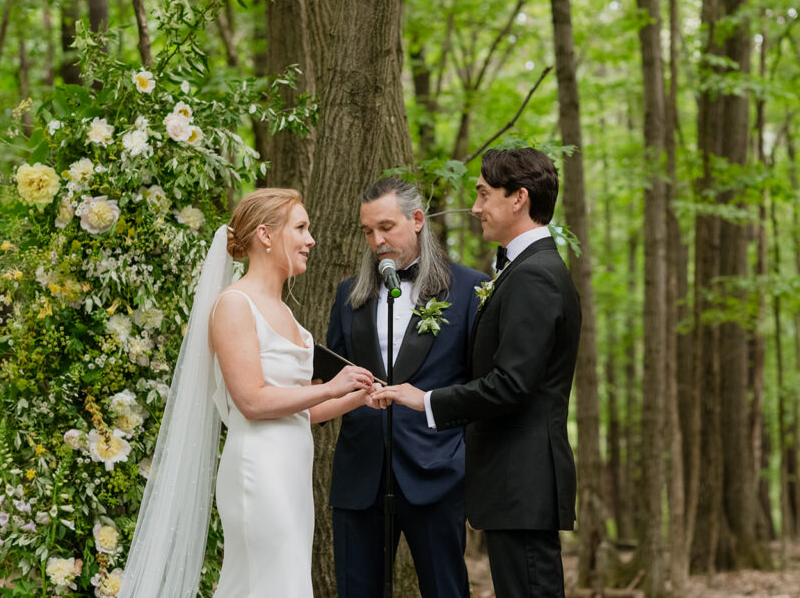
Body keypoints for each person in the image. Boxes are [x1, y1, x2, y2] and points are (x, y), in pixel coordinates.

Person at [121, 188, 376, 598]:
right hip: (258, 471)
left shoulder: (287, 312)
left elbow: (298, 413)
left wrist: (358, 396)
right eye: (301, 228)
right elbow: (253, 402)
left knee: (283, 581)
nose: (311, 240)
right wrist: (331, 386)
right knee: (265, 584)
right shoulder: (236, 304)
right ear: (266, 235)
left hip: (291, 471)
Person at [374, 148, 580, 598]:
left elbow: (512, 383)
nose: (475, 207)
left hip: (522, 484)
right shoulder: (522, 270)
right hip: (513, 487)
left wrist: (425, 399)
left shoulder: (535, 276)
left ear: (519, 198)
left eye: (484, 195)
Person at [326, 177, 486, 598]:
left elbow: (482, 385)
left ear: (417, 220)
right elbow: (330, 381)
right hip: (359, 476)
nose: (376, 240)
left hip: (437, 475)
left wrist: (461, 457)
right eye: (367, 231)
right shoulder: (348, 295)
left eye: (386, 227)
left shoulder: (470, 289)